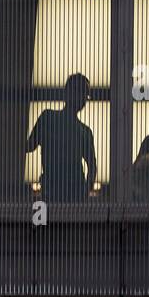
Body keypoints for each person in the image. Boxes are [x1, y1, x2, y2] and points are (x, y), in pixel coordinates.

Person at [27, 73, 97, 202]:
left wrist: (84, 192)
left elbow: (92, 166)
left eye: (84, 94)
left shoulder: (84, 131)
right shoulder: (48, 118)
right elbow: (29, 146)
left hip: (70, 192)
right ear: (67, 92)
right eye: (78, 91)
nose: (81, 98)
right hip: (55, 191)